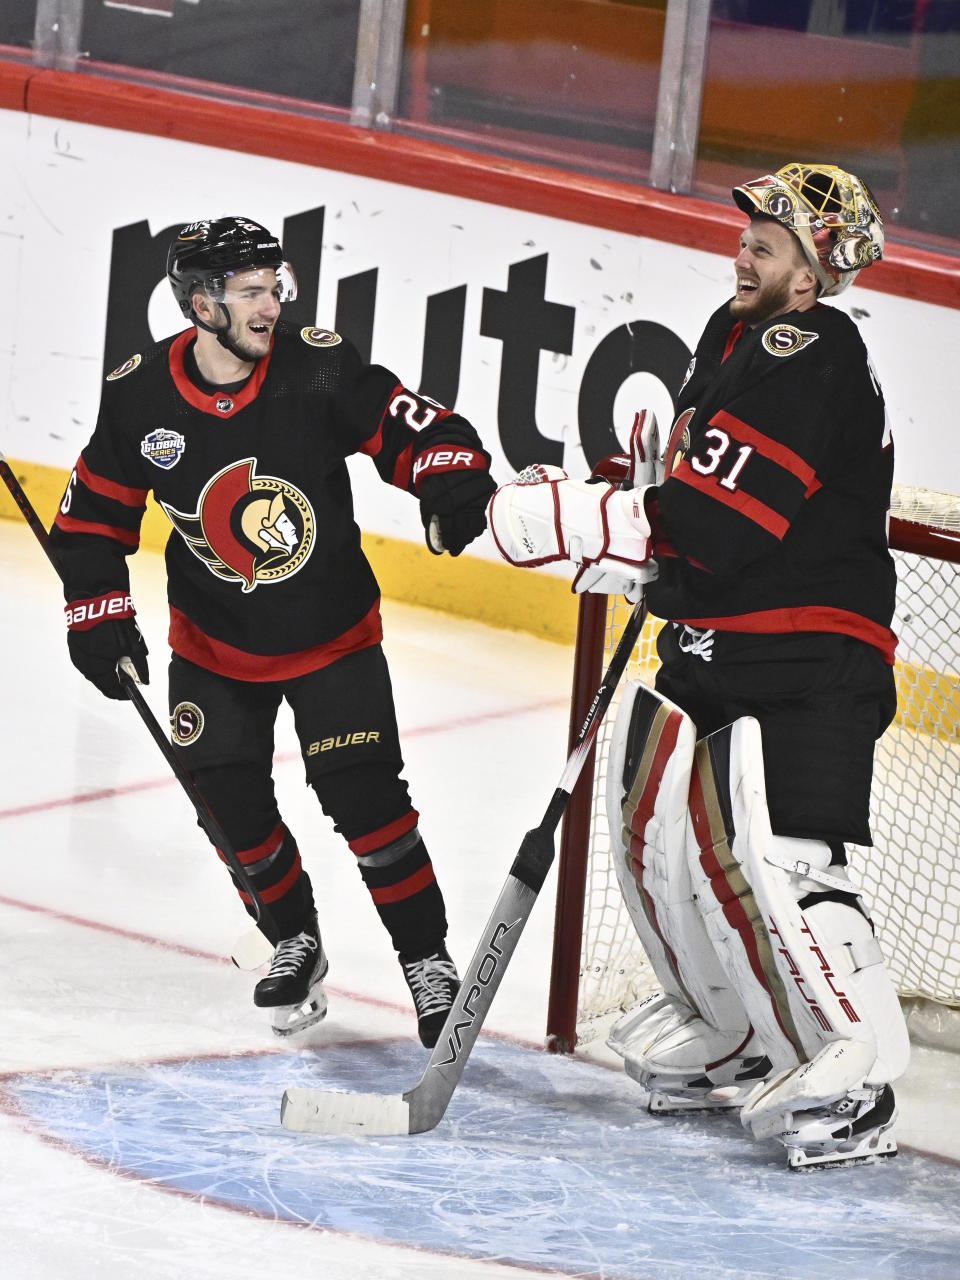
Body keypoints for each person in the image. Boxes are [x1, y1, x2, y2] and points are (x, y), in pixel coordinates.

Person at [487, 162, 910, 1168]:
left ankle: (860, 1067)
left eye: (766, 244)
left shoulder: (814, 352)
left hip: (809, 655)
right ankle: (723, 1026)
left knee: (786, 862)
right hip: (716, 640)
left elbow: (718, 522)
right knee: (661, 834)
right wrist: (612, 519)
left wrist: (572, 523)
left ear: (809, 277)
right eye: (748, 236)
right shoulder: (732, 340)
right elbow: (685, 508)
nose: (742, 250)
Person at [50, 216, 496, 1047]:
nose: (271, 305)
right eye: (250, 291)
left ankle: (426, 961)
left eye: (274, 286)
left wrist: (448, 478)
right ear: (200, 304)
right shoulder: (142, 391)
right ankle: (294, 938)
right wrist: (96, 609)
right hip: (213, 647)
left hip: (332, 637)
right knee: (228, 809)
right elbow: (93, 516)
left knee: (365, 800)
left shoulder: (319, 366)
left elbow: (419, 429)